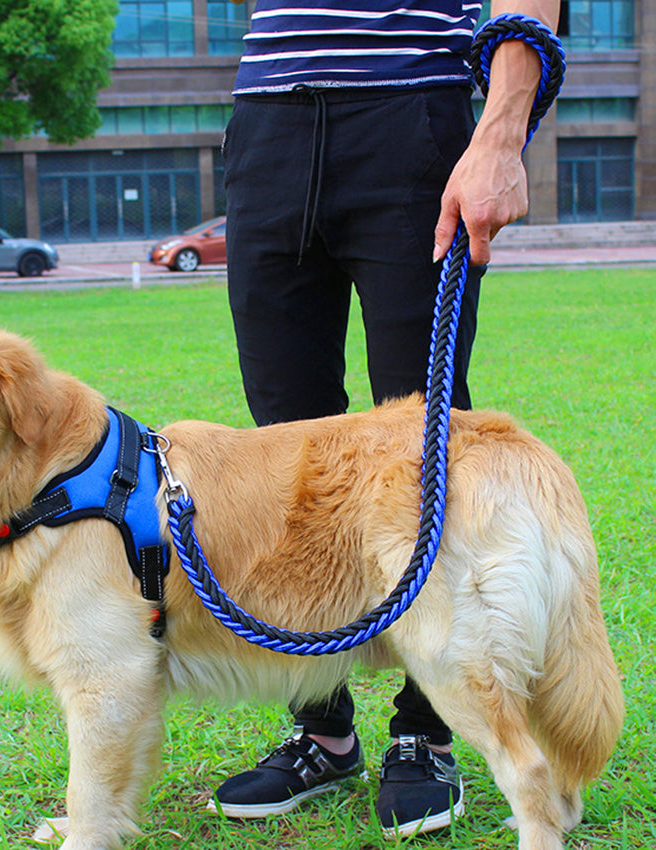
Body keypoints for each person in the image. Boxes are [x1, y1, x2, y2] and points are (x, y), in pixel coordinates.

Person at [212, 0, 561, 838]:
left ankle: (426, 731)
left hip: (410, 116)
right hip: (267, 122)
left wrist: (502, 133)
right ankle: (323, 731)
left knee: (423, 447)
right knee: (282, 455)